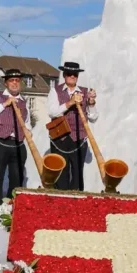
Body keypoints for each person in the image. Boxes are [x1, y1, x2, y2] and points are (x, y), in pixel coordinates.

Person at [0, 68, 30, 223]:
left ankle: (10, 210)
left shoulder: (24, 101)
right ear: (6, 82)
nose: (15, 83)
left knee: (17, 179)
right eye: (11, 80)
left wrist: (28, 131)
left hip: (17, 143)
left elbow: (27, 121)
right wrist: (4, 104)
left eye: (17, 80)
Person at [48, 61, 98, 191]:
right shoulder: (55, 91)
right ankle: (61, 204)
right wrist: (69, 103)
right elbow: (52, 112)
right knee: (61, 175)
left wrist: (91, 103)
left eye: (75, 74)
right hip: (60, 138)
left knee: (77, 175)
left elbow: (93, 117)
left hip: (79, 139)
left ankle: (76, 207)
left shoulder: (85, 92)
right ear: (64, 75)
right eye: (69, 74)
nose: (72, 76)